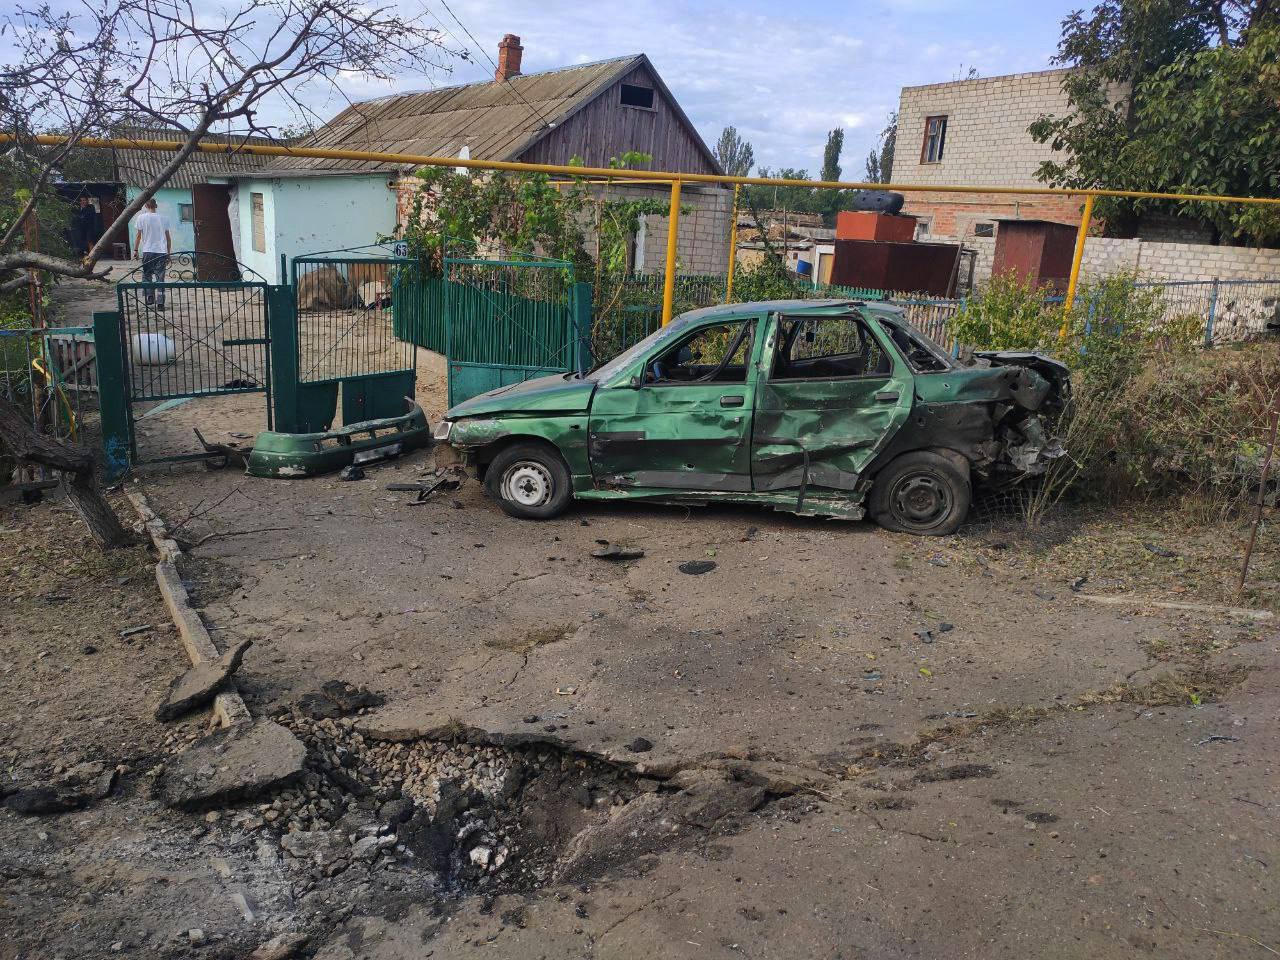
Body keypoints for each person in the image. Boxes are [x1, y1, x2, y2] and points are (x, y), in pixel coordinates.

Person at [133, 198, 172, 310]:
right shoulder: (164, 219)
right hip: (161, 252)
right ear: (156, 206)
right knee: (160, 277)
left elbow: (138, 236)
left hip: (148, 251)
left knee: (147, 275)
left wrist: (135, 250)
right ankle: (160, 303)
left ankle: (150, 297)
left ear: (146, 206)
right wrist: (168, 253)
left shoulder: (141, 218)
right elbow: (168, 238)